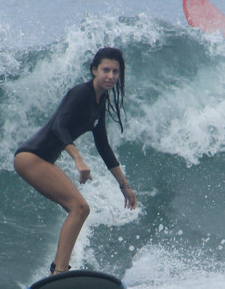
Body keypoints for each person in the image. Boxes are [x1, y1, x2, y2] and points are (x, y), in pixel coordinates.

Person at [14, 47, 138, 276]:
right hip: (31, 157)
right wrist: (78, 159)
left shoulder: (99, 102)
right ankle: (59, 270)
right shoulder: (80, 93)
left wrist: (125, 186)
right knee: (79, 207)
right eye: (105, 70)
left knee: (79, 209)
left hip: (43, 160)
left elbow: (103, 147)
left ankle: (58, 268)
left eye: (115, 72)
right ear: (94, 70)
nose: (110, 76)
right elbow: (59, 126)